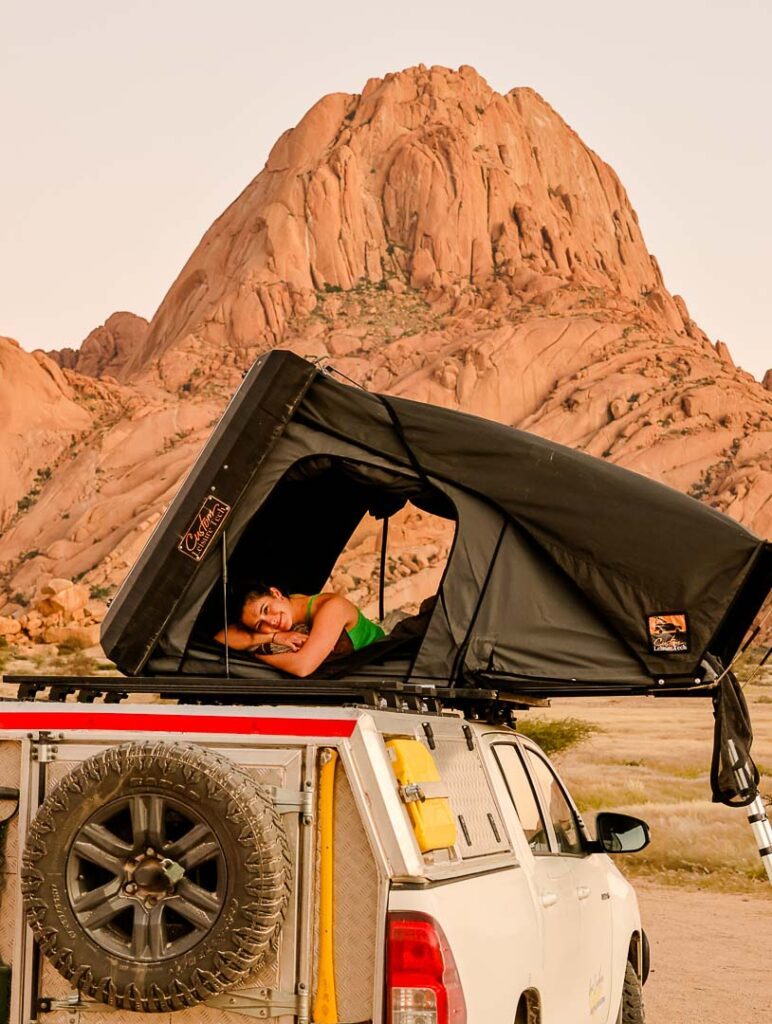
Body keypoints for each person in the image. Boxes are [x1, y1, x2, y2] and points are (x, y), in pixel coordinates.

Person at [214, 584, 385, 677]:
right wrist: (274, 637)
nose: (271, 621)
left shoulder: (332, 607)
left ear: (276, 593)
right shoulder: (293, 604)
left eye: (266, 609)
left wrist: (254, 656)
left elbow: (302, 667)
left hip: (382, 669)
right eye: (260, 625)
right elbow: (222, 638)